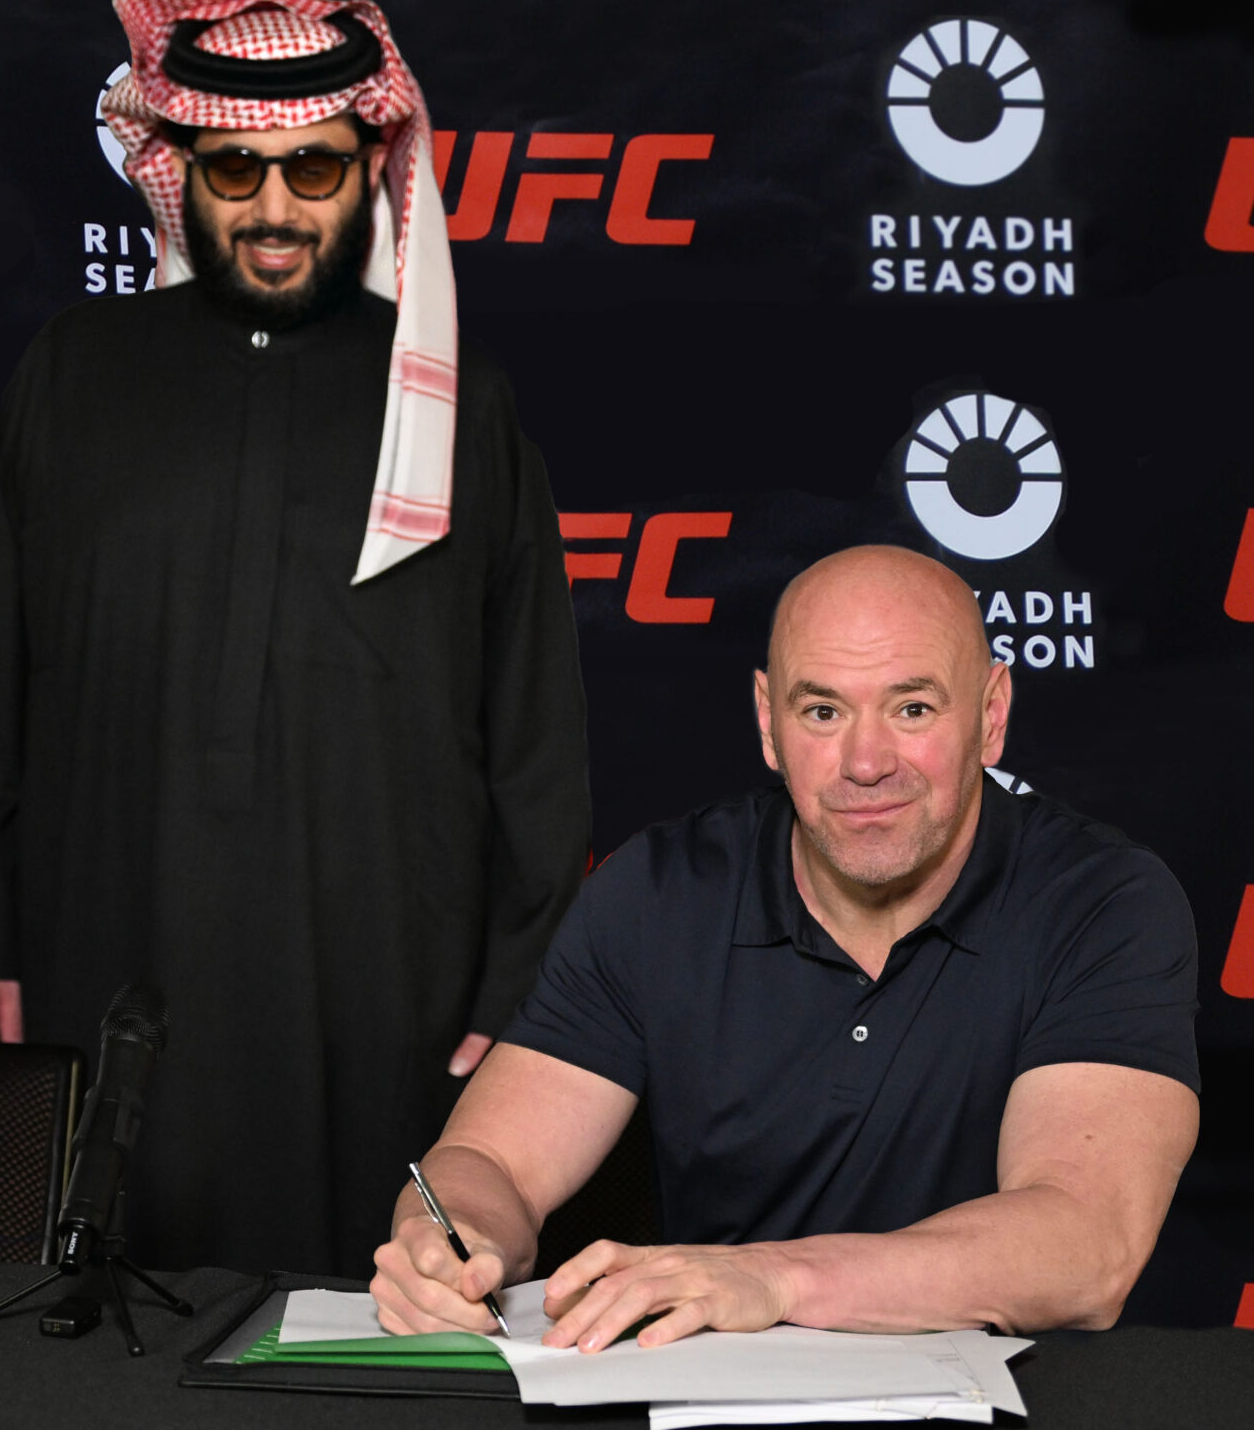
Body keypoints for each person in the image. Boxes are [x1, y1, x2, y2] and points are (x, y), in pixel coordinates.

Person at [0, 0, 589, 1275]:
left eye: (313, 169)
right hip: (104, 934)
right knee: (89, 1317)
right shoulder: (73, 372)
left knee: (366, 1313)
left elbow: (534, 730)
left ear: (371, 168)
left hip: (385, 970)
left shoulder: (457, 400)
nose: (274, 209)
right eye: (234, 170)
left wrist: (524, 993)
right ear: (179, 169)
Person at [372, 544, 1201, 1349]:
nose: (866, 762)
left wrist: (774, 1279)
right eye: (823, 712)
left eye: (912, 708)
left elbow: (1086, 1242)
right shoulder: (661, 892)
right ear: (769, 722)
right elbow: (492, 1159)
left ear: (990, 715)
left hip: (1023, 1420)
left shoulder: (1102, 903)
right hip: (710, 1414)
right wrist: (448, 1241)